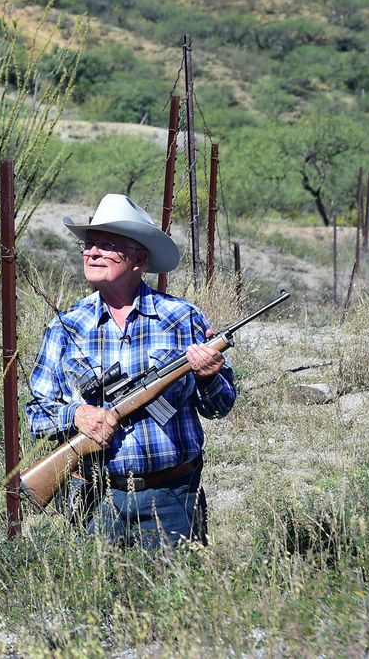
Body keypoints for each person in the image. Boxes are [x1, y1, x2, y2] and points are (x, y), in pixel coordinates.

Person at [25, 194, 235, 548]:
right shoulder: (66, 327)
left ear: (138, 258)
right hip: (98, 501)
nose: (92, 253)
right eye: (89, 245)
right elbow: (36, 414)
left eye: (106, 245)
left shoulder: (182, 318)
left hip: (171, 496)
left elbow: (220, 406)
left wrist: (209, 376)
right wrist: (78, 415)